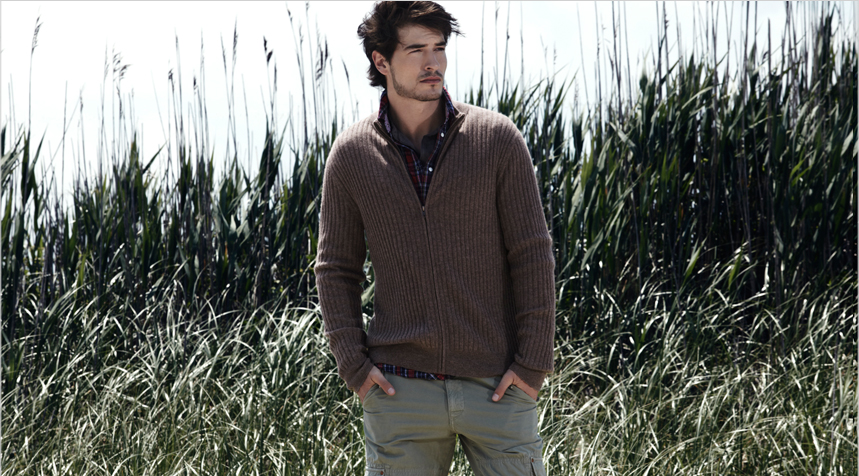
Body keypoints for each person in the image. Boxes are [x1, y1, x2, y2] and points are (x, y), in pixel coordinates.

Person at [314, 2, 555, 475]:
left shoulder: (496, 139)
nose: (433, 63)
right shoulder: (352, 155)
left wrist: (532, 365)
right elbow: (336, 269)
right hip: (400, 392)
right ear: (382, 61)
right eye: (416, 50)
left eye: (439, 48)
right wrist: (355, 368)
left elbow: (532, 254)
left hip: (497, 386)